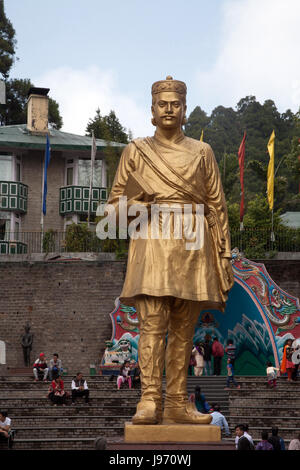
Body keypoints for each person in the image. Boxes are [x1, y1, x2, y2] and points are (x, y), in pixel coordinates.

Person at [105, 75, 234, 425]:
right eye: (162, 104)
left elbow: (217, 205)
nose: (169, 109)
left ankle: (177, 401)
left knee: (183, 330)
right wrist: (136, 202)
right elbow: (112, 211)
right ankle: (149, 399)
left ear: (185, 110)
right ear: (151, 110)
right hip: (151, 241)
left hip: (193, 242)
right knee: (151, 325)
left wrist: (223, 253)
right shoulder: (136, 150)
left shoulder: (202, 152)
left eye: (175, 104)